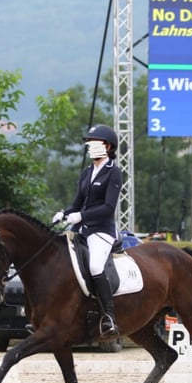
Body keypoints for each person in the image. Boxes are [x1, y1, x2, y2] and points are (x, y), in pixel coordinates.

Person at [52, 124, 123, 338]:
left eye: (94, 142)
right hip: (80, 229)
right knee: (61, 263)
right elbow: (77, 203)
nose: (89, 147)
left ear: (107, 146)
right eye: (88, 143)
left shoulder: (114, 172)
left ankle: (109, 316)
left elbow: (108, 207)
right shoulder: (86, 172)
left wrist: (81, 216)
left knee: (94, 267)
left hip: (101, 231)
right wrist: (64, 213)